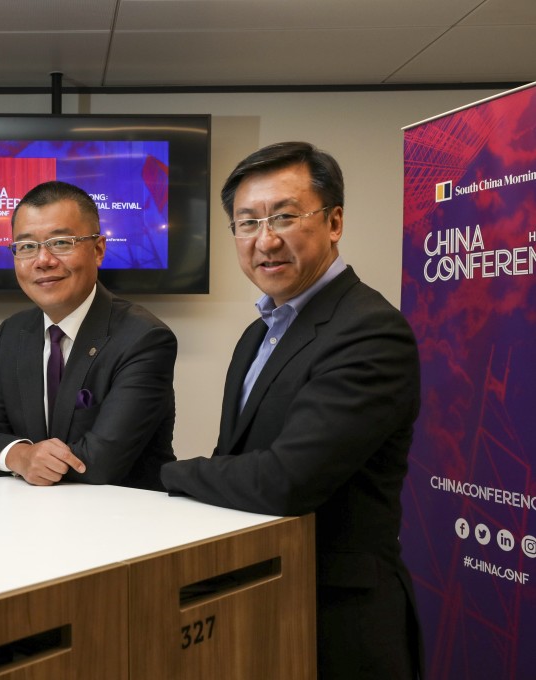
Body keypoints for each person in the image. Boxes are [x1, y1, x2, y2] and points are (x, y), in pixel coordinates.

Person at [161, 142, 422, 679]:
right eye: (247, 222)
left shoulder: (370, 330)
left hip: (339, 620)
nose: (266, 239)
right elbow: (235, 459)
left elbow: (287, 480)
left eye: (284, 216)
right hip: (262, 595)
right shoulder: (259, 333)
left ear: (334, 222)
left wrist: (165, 474)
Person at [0, 180, 176, 490]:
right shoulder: (13, 332)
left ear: (99, 249)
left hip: (126, 520)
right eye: (27, 246)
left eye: (61, 243)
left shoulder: (144, 338)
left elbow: (101, 463)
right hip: (33, 516)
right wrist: (21, 456)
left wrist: (26, 458)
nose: (43, 260)